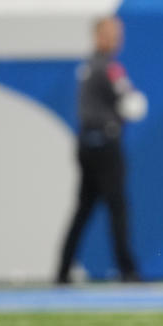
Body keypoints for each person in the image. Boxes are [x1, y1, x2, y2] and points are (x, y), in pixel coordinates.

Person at [57, 17, 147, 284]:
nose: (118, 39)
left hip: (87, 145)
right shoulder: (108, 68)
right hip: (105, 147)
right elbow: (133, 106)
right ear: (98, 36)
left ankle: (61, 272)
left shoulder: (88, 67)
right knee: (117, 207)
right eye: (112, 34)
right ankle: (127, 270)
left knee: (83, 209)